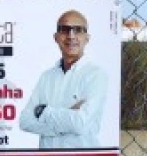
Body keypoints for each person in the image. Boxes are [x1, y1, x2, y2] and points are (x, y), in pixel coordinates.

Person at [18, 8, 109, 148]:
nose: (71, 35)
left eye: (78, 30)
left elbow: (80, 123)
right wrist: (64, 123)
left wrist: (43, 111)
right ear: (56, 37)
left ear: (87, 38)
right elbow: (25, 120)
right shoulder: (47, 77)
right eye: (65, 29)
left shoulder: (95, 75)